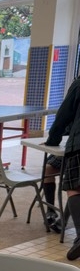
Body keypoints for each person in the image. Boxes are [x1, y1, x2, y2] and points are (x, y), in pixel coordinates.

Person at [43, 76, 80, 259]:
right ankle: (51, 212)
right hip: (69, 146)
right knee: (49, 168)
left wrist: (52, 140)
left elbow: (63, 116)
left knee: (74, 187)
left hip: (77, 145)